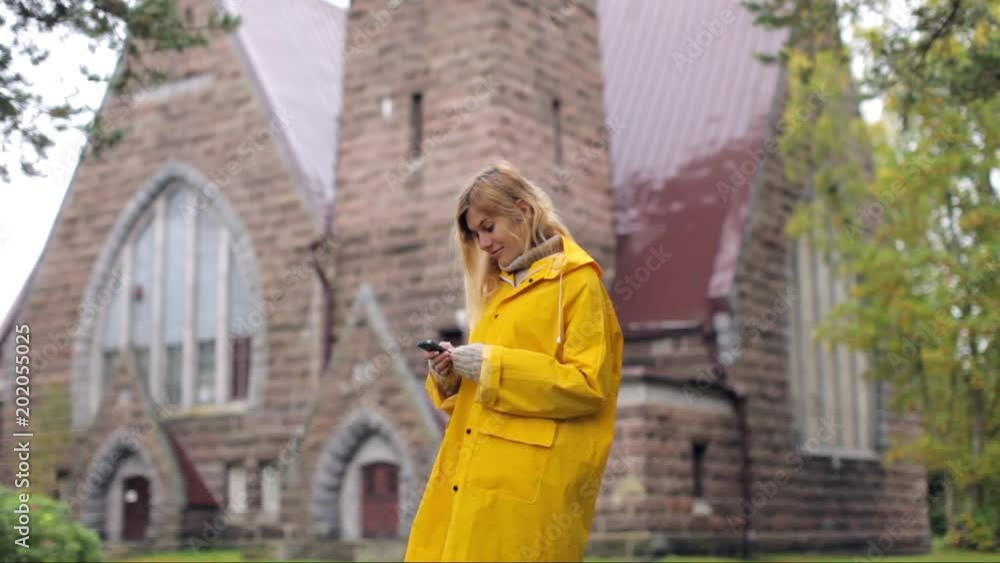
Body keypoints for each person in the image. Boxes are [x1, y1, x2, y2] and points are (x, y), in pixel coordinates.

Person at [404, 161, 623, 562]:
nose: (482, 243)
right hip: (467, 481)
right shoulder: (497, 291)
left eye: (488, 227)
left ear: (523, 211)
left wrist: (489, 365)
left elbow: (588, 386)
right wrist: (451, 378)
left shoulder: (577, 282)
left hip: (526, 494)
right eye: (475, 234)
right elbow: (484, 398)